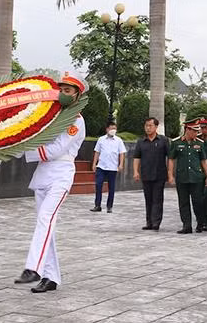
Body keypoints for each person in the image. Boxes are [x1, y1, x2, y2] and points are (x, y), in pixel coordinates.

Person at [14, 71, 87, 294]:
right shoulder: (51, 115)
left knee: (45, 218)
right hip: (43, 175)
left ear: (77, 95)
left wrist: (28, 148)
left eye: (68, 90)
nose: (63, 93)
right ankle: (51, 277)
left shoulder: (76, 121)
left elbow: (56, 150)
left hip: (61, 175)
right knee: (46, 226)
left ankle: (33, 268)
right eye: (61, 89)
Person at [168, 119, 207, 234]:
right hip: (182, 176)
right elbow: (171, 159)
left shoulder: (199, 143)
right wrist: (170, 175)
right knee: (183, 202)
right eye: (194, 131)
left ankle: (200, 223)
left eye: (197, 131)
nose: (196, 133)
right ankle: (186, 225)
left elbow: (204, 160)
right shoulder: (176, 142)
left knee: (198, 202)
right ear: (187, 130)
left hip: (196, 177)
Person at [133, 118, 170, 231]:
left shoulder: (163, 140)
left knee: (157, 199)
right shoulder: (141, 142)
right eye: (146, 126)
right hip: (146, 174)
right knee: (148, 199)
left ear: (156, 127)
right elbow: (136, 157)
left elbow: (170, 157)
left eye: (150, 125)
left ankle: (156, 222)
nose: (148, 128)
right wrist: (135, 171)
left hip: (159, 174)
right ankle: (149, 222)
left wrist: (170, 173)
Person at [90, 121, 126, 213]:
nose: (113, 130)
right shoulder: (101, 139)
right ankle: (97, 205)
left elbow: (121, 153)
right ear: (107, 129)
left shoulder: (118, 140)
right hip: (101, 166)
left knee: (111, 188)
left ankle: (109, 206)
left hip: (113, 167)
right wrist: (94, 163)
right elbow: (97, 152)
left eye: (114, 128)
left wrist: (121, 164)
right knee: (98, 185)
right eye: (111, 128)